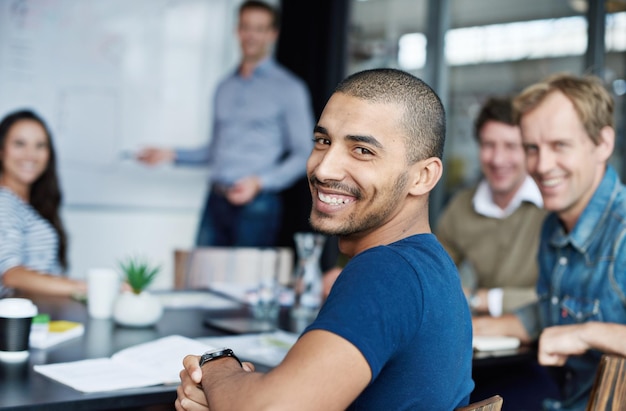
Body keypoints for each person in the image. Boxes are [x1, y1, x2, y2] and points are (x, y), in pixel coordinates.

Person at [175, 69, 474, 410]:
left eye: (362, 150)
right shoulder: (428, 265)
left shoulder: (386, 272)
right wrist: (234, 394)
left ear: (422, 177)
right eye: (323, 141)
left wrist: (217, 366)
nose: (323, 169)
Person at [473, 73, 626, 411]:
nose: (541, 166)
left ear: (603, 143)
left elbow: (573, 327)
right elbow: (552, 313)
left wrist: (585, 334)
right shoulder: (553, 227)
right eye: (532, 148)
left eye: (560, 145)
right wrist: (469, 326)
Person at [137, 0, 314, 247]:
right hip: (216, 200)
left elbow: (303, 154)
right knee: (199, 278)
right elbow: (216, 149)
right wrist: (170, 154)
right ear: (237, 31)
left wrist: (259, 182)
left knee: (247, 284)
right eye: (246, 27)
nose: (251, 35)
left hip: (258, 205)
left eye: (259, 28)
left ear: (272, 34)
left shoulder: (289, 88)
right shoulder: (224, 87)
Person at [436, 96, 547, 316]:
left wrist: (483, 299)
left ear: (529, 150)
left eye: (510, 146)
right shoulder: (461, 206)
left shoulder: (553, 205)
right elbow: (434, 277)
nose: (497, 159)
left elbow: (566, 299)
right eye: (488, 145)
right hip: (487, 338)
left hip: (546, 336)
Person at [0, 109, 87, 298]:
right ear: (1, 150)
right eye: (19, 144)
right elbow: (10, 274)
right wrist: (86, 288)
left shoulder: (28, 204)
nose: (30, 154)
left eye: (40, 145)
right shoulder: (3, 202)